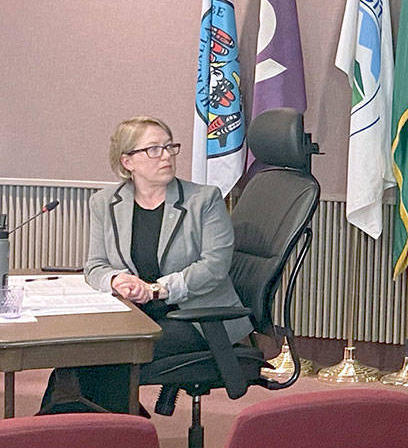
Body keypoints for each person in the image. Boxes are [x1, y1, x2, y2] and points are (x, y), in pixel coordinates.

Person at [40, 116, 250, 414]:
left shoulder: (203, 200)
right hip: (134, 312)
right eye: (153, 149)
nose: (166, 155)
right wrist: (115, 280)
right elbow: (95, 265)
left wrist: (156, 290)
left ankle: (118, 442)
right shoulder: (105, 202)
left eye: (169, 146)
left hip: (195, 318)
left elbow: (214, 266)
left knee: (112, 354)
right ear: (128, 161)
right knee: (76, 353)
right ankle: (61, 438)